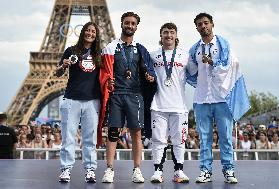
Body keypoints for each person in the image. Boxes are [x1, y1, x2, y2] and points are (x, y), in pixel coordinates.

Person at [187, 13, 250, 184]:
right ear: (196, 27)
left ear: (212, 24)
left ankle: (228, 170)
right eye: (199, 24)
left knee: (225, 137)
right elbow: (190, 71)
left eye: (206, 23)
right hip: (201, 99)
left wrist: (213, 63)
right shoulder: (195, 49)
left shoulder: (223, 44)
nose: (203, 26)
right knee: (204, 138)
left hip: (222, 98)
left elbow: (231, 65)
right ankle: (205, 171)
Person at [99, 11, 156, 183]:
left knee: (136, 133)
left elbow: (150, 69)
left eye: (133, 23)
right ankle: (109, 169)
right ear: (122, 24)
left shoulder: (140, 48)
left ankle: (137, 169)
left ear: (136, 26)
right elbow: (103, 70)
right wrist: (108, 81)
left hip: (135, 95)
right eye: (127, 22)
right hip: (116, 95)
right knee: (113, 132)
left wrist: (150, 76)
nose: (130, 25)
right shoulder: (110, 47)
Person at [55, 22, 102, 183]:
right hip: (72, 99)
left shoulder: (99, 54)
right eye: (88, 30)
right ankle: (66, 169)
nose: (90, 33)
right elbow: (58, 73)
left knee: (90, 138)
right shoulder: (71, 50)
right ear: (83, 32)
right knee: (68, 137)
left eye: (93, 31)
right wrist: (63, 65)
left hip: (92, 101)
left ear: (96, 35)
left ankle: (90, 170)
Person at [149, 23, 189, 183]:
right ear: (161, 35)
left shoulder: (185, 56)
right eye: (165, 32)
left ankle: (178, 170)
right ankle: (158, 171)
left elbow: (195, 74)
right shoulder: (153, 55)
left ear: (176, 35)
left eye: (172, 32)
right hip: (158, 105)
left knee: (179, 140)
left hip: (179, 106)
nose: (169, 35)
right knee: (158, 140)